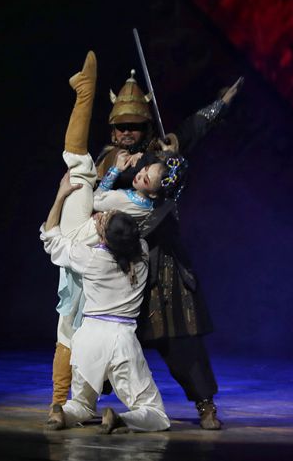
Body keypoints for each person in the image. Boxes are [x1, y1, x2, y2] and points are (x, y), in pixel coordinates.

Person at [92, 70, 243, 430]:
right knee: (102, 339)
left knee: (182, 340)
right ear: (112, 130)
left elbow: (191, 131)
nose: (127, 133)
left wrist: (220, 105)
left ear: (146, 128)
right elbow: (105, 188)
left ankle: (205, 404)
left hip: (162, 263)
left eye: (134, 127)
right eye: (121, 127)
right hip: (118, 267)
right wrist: (130, 167)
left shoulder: (160, 156)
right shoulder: (107, 160)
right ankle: (81, 401)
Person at [46, 51, 187, 429]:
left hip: (87, 246)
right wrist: (171, 164)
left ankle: (62, 405)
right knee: (151, 409)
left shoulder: (127, 208)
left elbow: (70, 225)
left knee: (68, 325)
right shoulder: (139, 251)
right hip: (116, 320)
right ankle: (85, 409)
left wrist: (63, 198)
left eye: (146, 176)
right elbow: (162, 196)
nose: (140, 174)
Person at [40, 170, 170, 433]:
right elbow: (132, 236)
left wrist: (61, 196)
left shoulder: (92, 259)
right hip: (121, 341)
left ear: (105, 238)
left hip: (88, 340)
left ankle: (64, 414)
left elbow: (51, 238)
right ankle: (121, 419)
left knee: (82, 404)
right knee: (156, 414)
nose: (101, 216)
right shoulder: (142, 253)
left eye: (104, 219)